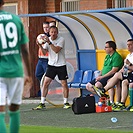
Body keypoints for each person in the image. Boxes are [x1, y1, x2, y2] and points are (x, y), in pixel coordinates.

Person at [0, 0, 32, 133]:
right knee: (14, 109)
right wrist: (28, 74)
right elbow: (24, 49)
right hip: (16, 71)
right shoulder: (16, 20)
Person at [33, 26, 71, 110]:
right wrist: (40, 45)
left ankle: (66, 102)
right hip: (51, 65)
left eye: (54, 32)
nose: (53, 34)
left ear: (57, 32)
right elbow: (44, 52)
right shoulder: (48, 40)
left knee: (64, 83)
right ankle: (42, 102)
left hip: (61, 65)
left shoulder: (61, 40)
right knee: (46, 83)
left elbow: (56, 50)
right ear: (49, 33)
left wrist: (49, 42)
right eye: (51, 32)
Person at [93, 39, 133, 111]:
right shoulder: (128, 55)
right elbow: (125, 68)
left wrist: (128, 65)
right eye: (127, 45)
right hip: (128, 74)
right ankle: (121, 103)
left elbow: (130, 67)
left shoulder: (118, 56)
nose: (128, 46)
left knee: (120, 79)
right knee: (121, 78)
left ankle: (104, 90)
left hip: (132, 74)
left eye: (130, 45)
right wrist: (123, 70)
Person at [35, 21, 56, 96]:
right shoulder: (42, 36)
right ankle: (43, 88)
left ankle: (46, 91)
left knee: (48, 76)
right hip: (41, 58)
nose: (45, 29)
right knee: (38, 74)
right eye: (44, 28)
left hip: (47, 59)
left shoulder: (50, 38)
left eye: (47, 27)